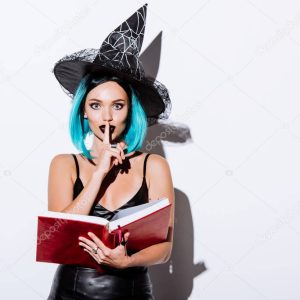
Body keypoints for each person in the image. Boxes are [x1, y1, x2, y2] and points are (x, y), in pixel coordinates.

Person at [46, 3, 174, 300]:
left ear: (130, 113)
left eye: (117, 106)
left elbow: (164, 250)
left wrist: (127, 260)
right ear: (83, 114)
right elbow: (57, 236)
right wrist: (100, 173)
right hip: (70, 292)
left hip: (132, 292)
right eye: (95, 105)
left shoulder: (153, 167)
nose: (106, 117)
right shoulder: (64, 165)